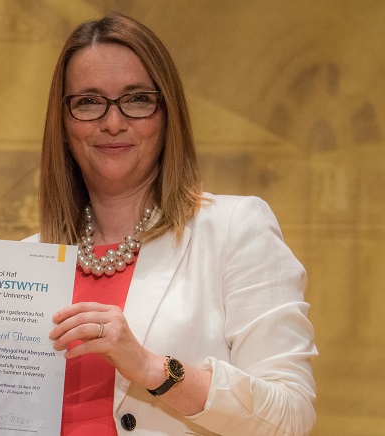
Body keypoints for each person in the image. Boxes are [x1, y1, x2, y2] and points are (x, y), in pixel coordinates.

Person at [29, 13, 317, 435]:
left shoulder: (235, 228)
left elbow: (292, 417)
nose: (113, 122)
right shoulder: (23, 261)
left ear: (168, 114)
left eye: (137, 99)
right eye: (88, 101)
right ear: (64, 122)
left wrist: (151, 368)